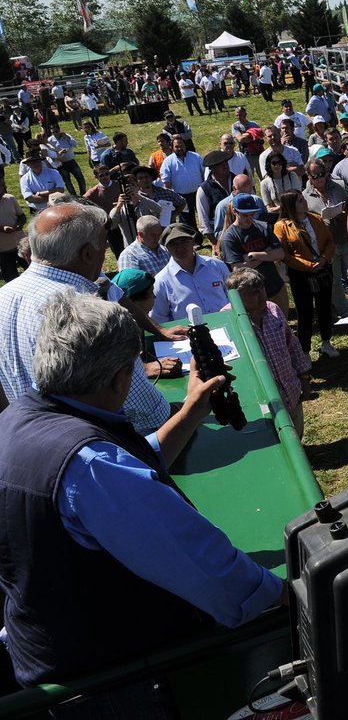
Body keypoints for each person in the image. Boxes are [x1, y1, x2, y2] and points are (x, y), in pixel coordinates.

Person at [0, 292, 283, 708]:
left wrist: (191, 411)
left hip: (46, 650)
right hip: (110, 678)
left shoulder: (21, 417)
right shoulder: (91, 466)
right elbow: (214, 574)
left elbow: (126, 465)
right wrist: (290, 596)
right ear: (120, 379)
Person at [0, 203, 172, 435]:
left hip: (33, 441)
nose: (105, 249)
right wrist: (175, 413)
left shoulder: (4, 296)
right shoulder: (89, 312)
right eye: (103, 243)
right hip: (106, 443)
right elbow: (142, 409)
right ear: (88, 254)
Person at [223, 268, 312, 438]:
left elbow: (292, 345)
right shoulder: (228, 320)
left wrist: (304, 377)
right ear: (238, 297)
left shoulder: (273, 309)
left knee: (297, 432)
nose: (262, 295)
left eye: (262, 288)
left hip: (290, 390)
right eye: (254, 293)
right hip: (263, 402)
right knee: (274, 438)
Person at [275, 190, 338, 357]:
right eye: (300, 201)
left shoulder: (316, 219)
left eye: (303, 199)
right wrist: (308, 265)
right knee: (305, 312)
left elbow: (330, 242)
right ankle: (304, 350)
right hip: (300, 275)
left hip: (322, 269)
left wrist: (323, 259)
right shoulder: (282, 227)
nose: (304, 202)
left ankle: (326, 342)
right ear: (290, 206)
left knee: (324, 307)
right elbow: (284, 255)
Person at [219, 194, 288, 316]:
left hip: (275, 287)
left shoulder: (263, 227)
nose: (249, 219)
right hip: (251, 296)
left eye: (252, 214)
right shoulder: (229, 237)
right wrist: (267, 253)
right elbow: (238, 270)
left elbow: (280, 254)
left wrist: (254, 255)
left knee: (281, 324)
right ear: (234, 211)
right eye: (245, 215)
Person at [302, 158, 348, 318]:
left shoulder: (340, 186)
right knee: (335, 280)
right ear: (309, 177)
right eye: (315, 176)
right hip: (326, 244)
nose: (320, 179)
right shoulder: (305, 196)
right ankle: (344, 312)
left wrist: (345, 215)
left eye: (322, 174)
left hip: (346, 238)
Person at [151, 222, 232, 323]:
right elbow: (159, 318)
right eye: (173, 244)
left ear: (193, 241)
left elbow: (234, 297)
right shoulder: (161, 282)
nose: (179, 248)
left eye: (184, 241)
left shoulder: (217, 266)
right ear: (166, 247)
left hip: (227, 325)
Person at [108, 172, 164, 250]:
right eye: (126, 187)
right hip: (131, 248)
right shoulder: (120, 208)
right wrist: (118, 207)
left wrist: (138, 196)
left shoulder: (145, 201)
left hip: (150, 245)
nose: (129, 189)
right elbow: (111, 225)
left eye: (132, 185)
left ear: (138, 186)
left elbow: (159, 209)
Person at [159, 135, 205, 226]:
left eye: (182, 146)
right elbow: (166, 181)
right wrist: (171, 198)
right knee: (187, 223)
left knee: (204, 217)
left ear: (185, 146)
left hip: (198, 194)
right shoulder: (168, 162)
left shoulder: (196, 157)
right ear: (172, 147)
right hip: (181, 197)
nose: (180, 148)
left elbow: (204, 173)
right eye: (177, 146)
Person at [46, 125, 85, 195]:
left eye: (56, 131)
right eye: (53, 132)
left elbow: (75, 144)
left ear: (59, 130)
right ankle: (73, 197)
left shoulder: (66, 136)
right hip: (61, 164)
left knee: (80, 178)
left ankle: (84, 194)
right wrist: (60, 153)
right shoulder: (50, 140)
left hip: (71, 161)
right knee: (67, 182)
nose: (55, 134)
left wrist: (67, 137)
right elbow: (51, 153)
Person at [0, 188, 26, 282]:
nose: (5, 188)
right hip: (3, 250)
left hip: (21, 245)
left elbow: (22, 216)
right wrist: (2, 228)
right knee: (11, 280)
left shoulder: (10, 198)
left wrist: (20, 224)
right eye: (2, 186)